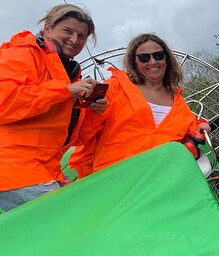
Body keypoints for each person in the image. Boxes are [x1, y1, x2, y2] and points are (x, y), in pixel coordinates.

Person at [0, 4, 107, 212]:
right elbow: (4, 102)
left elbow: (76, 139)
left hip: (43, 169)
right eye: (67, 31)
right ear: (47, 28)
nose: (75, 40)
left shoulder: (67, 71)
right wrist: (64, 90)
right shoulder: (22, 53)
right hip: (13, 168)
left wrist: (94, 110)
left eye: (82, 36)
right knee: (69, 220)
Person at [70, 33, 209, 177]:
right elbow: (84, 132)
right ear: (133, 62)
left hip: (159, 177)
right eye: (144, 58)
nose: (153, 62)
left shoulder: (179, 103)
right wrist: (93, 107)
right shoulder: (115, 87)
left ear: (167, 59)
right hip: (114, 176)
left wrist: (199, 126)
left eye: (158, 55)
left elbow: (187, 128)